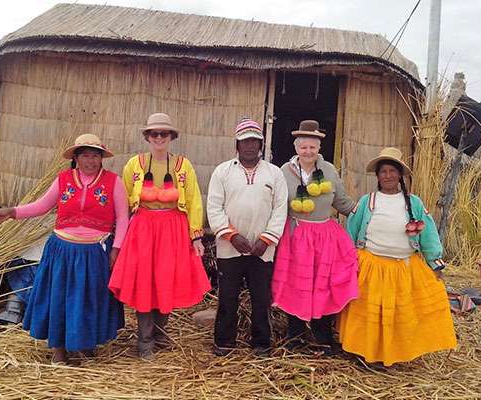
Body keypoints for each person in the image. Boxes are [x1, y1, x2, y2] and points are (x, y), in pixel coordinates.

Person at [0, 134, 127, 365]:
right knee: (60, 300)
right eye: (85, 155)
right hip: (61, 252)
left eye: (96, 156)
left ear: (102, 158)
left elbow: (123, 218)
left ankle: (85, 346)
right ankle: (59, 351)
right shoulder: (63, 179)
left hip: (94, 253)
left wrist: (116, 249)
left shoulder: (114, 182)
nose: (91, 161)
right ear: (75, 157)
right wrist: (13, 212)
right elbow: (42, 206)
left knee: (88, 301)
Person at [338, 147, 457, 367]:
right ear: (377, 176)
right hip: (371, 266)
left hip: (404, 268)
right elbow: (351, 231)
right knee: (371, 313)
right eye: (383, 171)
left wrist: (435, 263)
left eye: (393, 171)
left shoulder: (414, 203)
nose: (388, 175)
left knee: (399, 313)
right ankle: (367, 353)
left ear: (400, 174)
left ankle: (397, 352)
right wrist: (346, 260)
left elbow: (428, 234)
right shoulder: (368, 201)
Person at [108, 113, 211, 360]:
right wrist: (118, 239)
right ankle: (144, 340)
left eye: (164, 134)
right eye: (154, 134)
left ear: (171, 137)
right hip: (143, 228)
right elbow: (122, 203)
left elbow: (195, 199)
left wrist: (196, 236)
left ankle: (161, 334)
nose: (159, 138)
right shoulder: (135, 165)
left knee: (165, 279)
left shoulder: (183, 166)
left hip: (172, 228)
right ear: (147, 137)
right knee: (145, 281)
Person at [271, 120, 358, 353]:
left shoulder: (328, 170)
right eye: (303, 147)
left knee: (324, 283)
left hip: (324, 236)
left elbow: (341, 200)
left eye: (312, 147)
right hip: (296, 236)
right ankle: (295, 335)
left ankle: (322, 336)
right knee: (295, 284)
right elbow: (277, 204)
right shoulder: (283, 172)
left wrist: (363, 213)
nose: (308, 151)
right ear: (296, 148)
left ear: (319, 147)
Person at [207, 118, 288, 357]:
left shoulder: (274, 173)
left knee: (261, 298)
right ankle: (224, 341)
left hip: (263, 249)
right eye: (245, 141)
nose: (250, 145)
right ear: (237, 144)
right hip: (229, 248)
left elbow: (280, 208)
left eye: (255, 141)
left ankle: (262, 343)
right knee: (228, 297)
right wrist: (231, 236)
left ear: (261, 144)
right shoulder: (223, 171)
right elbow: (214, 207)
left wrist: (266, 239)